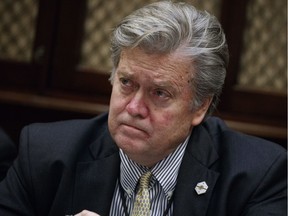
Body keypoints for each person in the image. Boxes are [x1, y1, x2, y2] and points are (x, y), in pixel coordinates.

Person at [0, 1, 286, 216]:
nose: (134, 107)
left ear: (200, 106)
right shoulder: (43, 155)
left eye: (160, 93)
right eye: (126, 82)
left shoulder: (257, 176)